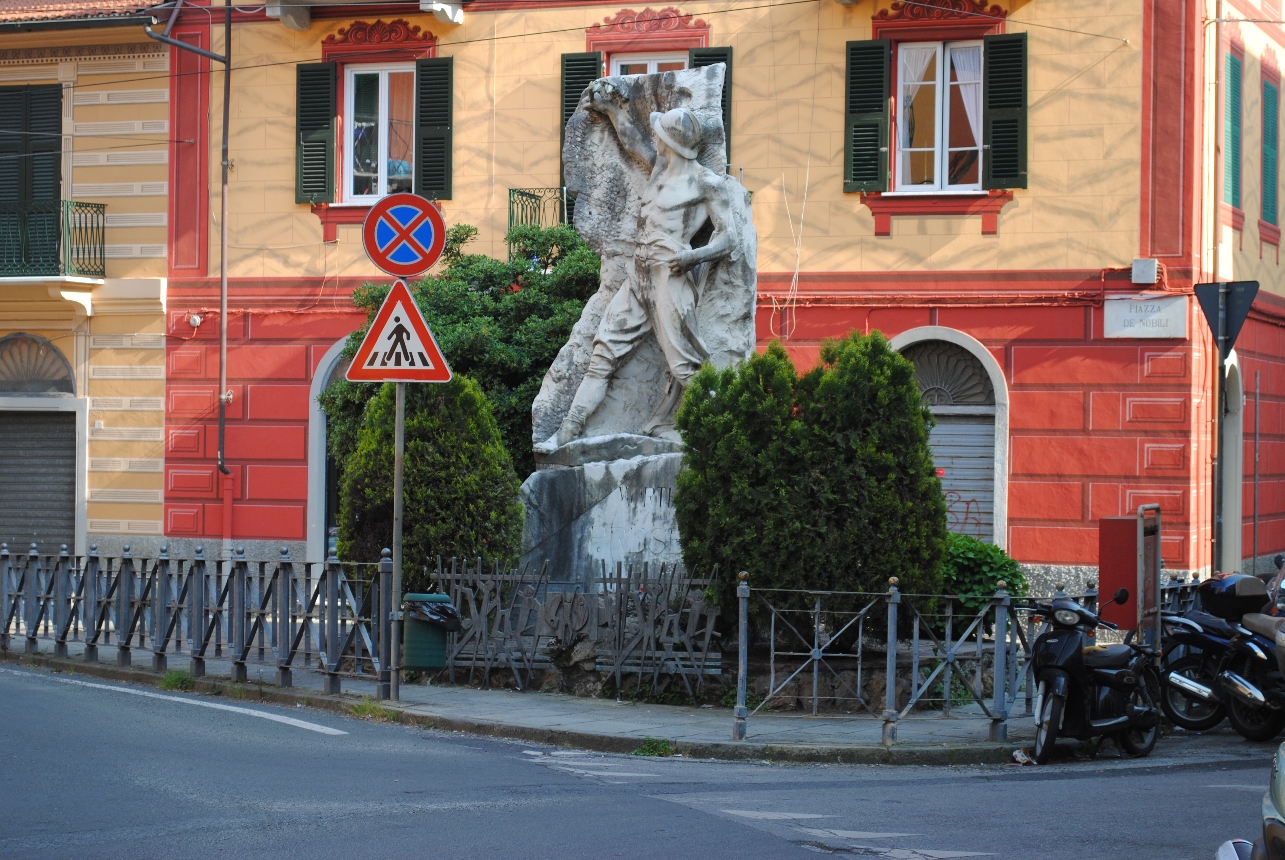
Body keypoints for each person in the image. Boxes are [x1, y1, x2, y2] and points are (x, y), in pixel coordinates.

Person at [535, 81, 737, 454]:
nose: (654, 138)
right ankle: (567, 433)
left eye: (659, 133)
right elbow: (633, 142)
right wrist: (613, 111)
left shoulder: (707, 184)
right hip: (639, 274)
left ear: (672, 143)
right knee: (603, 355)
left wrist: (691, 257)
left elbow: (729, 238)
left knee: (686, 368)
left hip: (670, 277)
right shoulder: (660, 167)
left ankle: (724, 434)